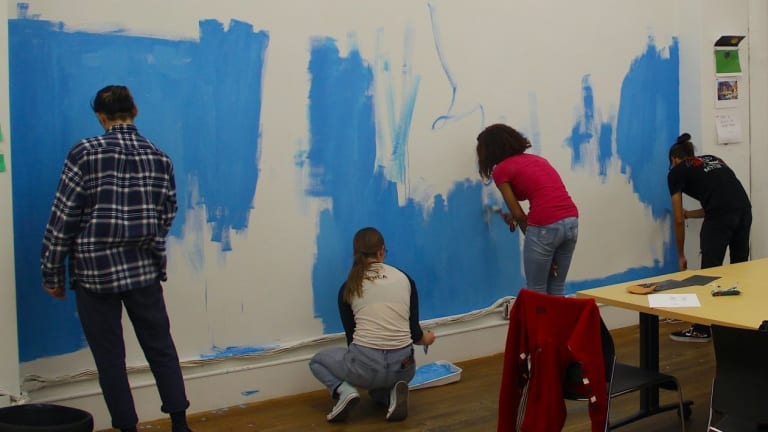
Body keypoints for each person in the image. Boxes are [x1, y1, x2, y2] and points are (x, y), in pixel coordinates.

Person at [40, 85, 192, 432]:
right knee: (161, 347)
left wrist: (53, 273)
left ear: (101, 116)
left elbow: (63, 217)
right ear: (134, 110)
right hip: (144, 271)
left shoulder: (84, 153)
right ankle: (180, 423)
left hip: (95, 273)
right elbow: (166, 213)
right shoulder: (159, 156)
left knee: (110, 359)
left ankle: (127, 426)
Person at [309, 227, 436, 423]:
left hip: (366, 367)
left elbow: (352, 339)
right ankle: (392, 393)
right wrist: (428, 338)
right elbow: (414, 333)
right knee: (377, 391)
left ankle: (346, 392)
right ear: (381, 251)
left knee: (317, 361)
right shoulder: (405, 279)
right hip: (404, 368)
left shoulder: (348, 286)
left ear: (356, 253)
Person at [476, 123, 579, 296]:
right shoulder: (538, 160)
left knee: (536, 290)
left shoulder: (501, 170)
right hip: (571, 220)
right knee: (557, 286)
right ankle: (558, 324)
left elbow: (519, 214)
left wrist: (533, 238)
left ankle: (540, 324)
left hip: (545, 226)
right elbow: (543, 197)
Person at [667, 132, 752, 342]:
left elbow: (677, 220)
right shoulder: (713, 159)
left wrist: (680, 255)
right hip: (743, 210)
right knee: (738, 269)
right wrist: (690, 214)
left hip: (721, 216)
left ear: (674, 159)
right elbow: (717, 202)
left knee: (709, 273)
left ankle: (702, 328)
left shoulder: (676, 172)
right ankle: (739, 324)